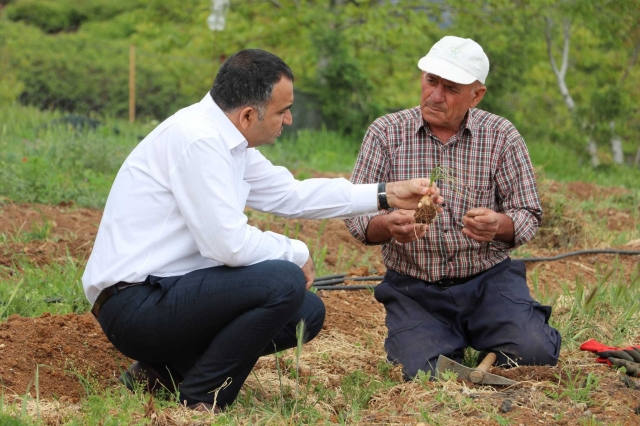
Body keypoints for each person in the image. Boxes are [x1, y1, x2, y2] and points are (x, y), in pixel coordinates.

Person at [82, 49, 441, 412]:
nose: (288, 120)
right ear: (249, 115)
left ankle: (162, 374)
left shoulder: (229, 140)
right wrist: (296, 251)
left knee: (305, 311)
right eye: (283, 111)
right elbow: (228, 245)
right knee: (282, 280)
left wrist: (389, 193)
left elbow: (292, 194)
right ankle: (203, 400)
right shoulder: (198, 141)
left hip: (168, 293)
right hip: (134, 304)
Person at [344, 36, 561, 380]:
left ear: (476, 95)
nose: (435, 95)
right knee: (420, 371)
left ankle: (486, 330)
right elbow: (357, 217)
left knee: (535, 352)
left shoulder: (501, 136)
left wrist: (499, 225)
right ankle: (438, 337)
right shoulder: (386, 133)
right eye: (431, 81)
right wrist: (390, 226)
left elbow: (528, 212)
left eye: (450, 88)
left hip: (487, 281)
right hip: (415, 286)